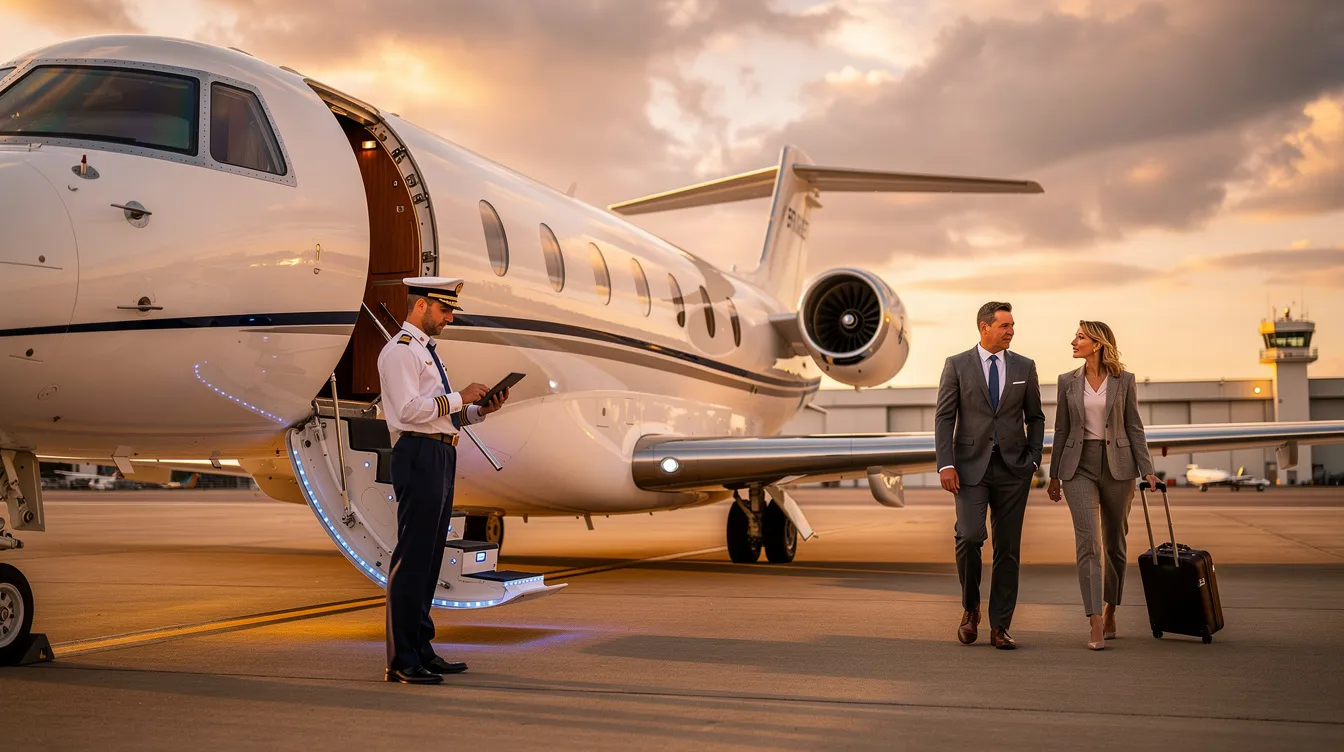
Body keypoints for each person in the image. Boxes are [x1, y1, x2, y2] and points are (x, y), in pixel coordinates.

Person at [377, 276, 509, 684]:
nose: (449, 317)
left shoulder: (427, 353)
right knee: (413, 556)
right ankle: (402, 658)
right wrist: (460, 397)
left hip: (439, 451)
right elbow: (407, 410)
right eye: (444, 309)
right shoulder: (400, 351)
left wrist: (478, 411)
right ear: (421, 306)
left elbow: (441, 415)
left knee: (431, 557)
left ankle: (421, 646)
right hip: (417, 453)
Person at [935, 301, 1045, 650]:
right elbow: (944, 417)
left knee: (1008, 549)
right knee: (969, 537)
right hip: (969, 468)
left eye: (1012, 325)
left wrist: (1032, 459)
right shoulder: (957, 365)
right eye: (1005, 325)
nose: (1011, 331)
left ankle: (1000, 626)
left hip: (1014, 470)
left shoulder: (1025, 367)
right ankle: (970, 609)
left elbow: (1036, 417)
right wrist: (945, 463)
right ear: (984, 327)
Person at [1047, 321, 1161, 650]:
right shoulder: (1067, 381)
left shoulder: (1124, 381)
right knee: (1089, 545)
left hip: (1118, 467)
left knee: (1115, 545)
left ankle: (1111, 607)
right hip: (1077, 466)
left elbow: (1134, 426)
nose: (1073, 341)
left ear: (1097, 344)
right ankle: (1094, 620)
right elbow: (1061, 429)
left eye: (1080, 337)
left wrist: (1147, 469)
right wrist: (1054, 474)